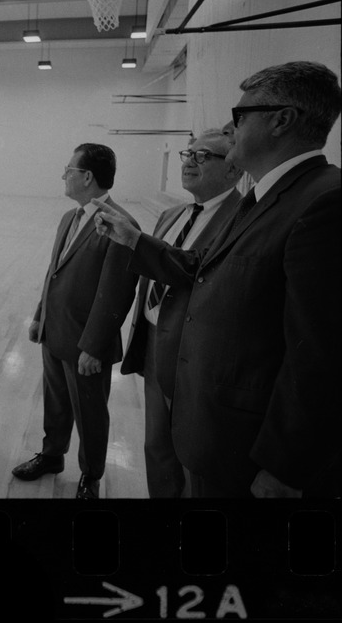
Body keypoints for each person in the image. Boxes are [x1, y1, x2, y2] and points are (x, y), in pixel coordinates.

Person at [91, 61, 342, 498]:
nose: (231, 128)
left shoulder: (324, 201)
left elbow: (321, 354)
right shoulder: (265, 198)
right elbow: (198, 267)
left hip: (242, 439)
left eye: (240, 117)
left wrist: (284, 466)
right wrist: (135, 240)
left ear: (282, 120)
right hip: (207, 410)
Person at [12, 143, 140, 499]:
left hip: (87, 344)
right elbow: (54, 273)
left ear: (86, 176)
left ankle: (91, 475)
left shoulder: (121, 224)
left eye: (68, 170)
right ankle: (52, 455)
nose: (64, 176)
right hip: (55, 332)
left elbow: (117, 294)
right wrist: (40, 316)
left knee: (90, 413)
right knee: (55, 402)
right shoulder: (69, 217)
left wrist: (94, 347)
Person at [120, 129, 243, 498]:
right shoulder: (172, 214)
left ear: (234, 170)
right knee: (156, 448)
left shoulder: (243, 217)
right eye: (187, 154)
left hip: (195, 356)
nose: (189, 161)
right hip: (156, 346)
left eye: (203, 156)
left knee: (193, 461)